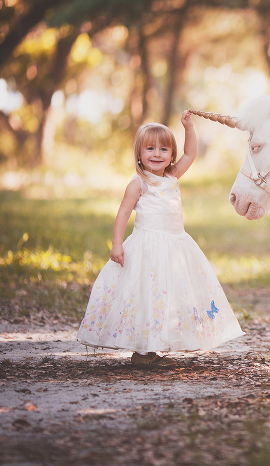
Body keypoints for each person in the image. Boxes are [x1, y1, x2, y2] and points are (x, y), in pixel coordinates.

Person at [77, 111, 244, 367]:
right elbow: (122, 214)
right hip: (147, 249)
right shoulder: (138, 184)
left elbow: (191, 154)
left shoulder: (171, 176)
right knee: (147, 294)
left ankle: (154, 348)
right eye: (150, 149)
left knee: (167, 296)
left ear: (171, 155)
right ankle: (143, 352)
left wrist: (188, 127)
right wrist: (117, 244)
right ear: (139, 155)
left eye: (164, 149)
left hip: (175, 247)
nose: (157, 154)